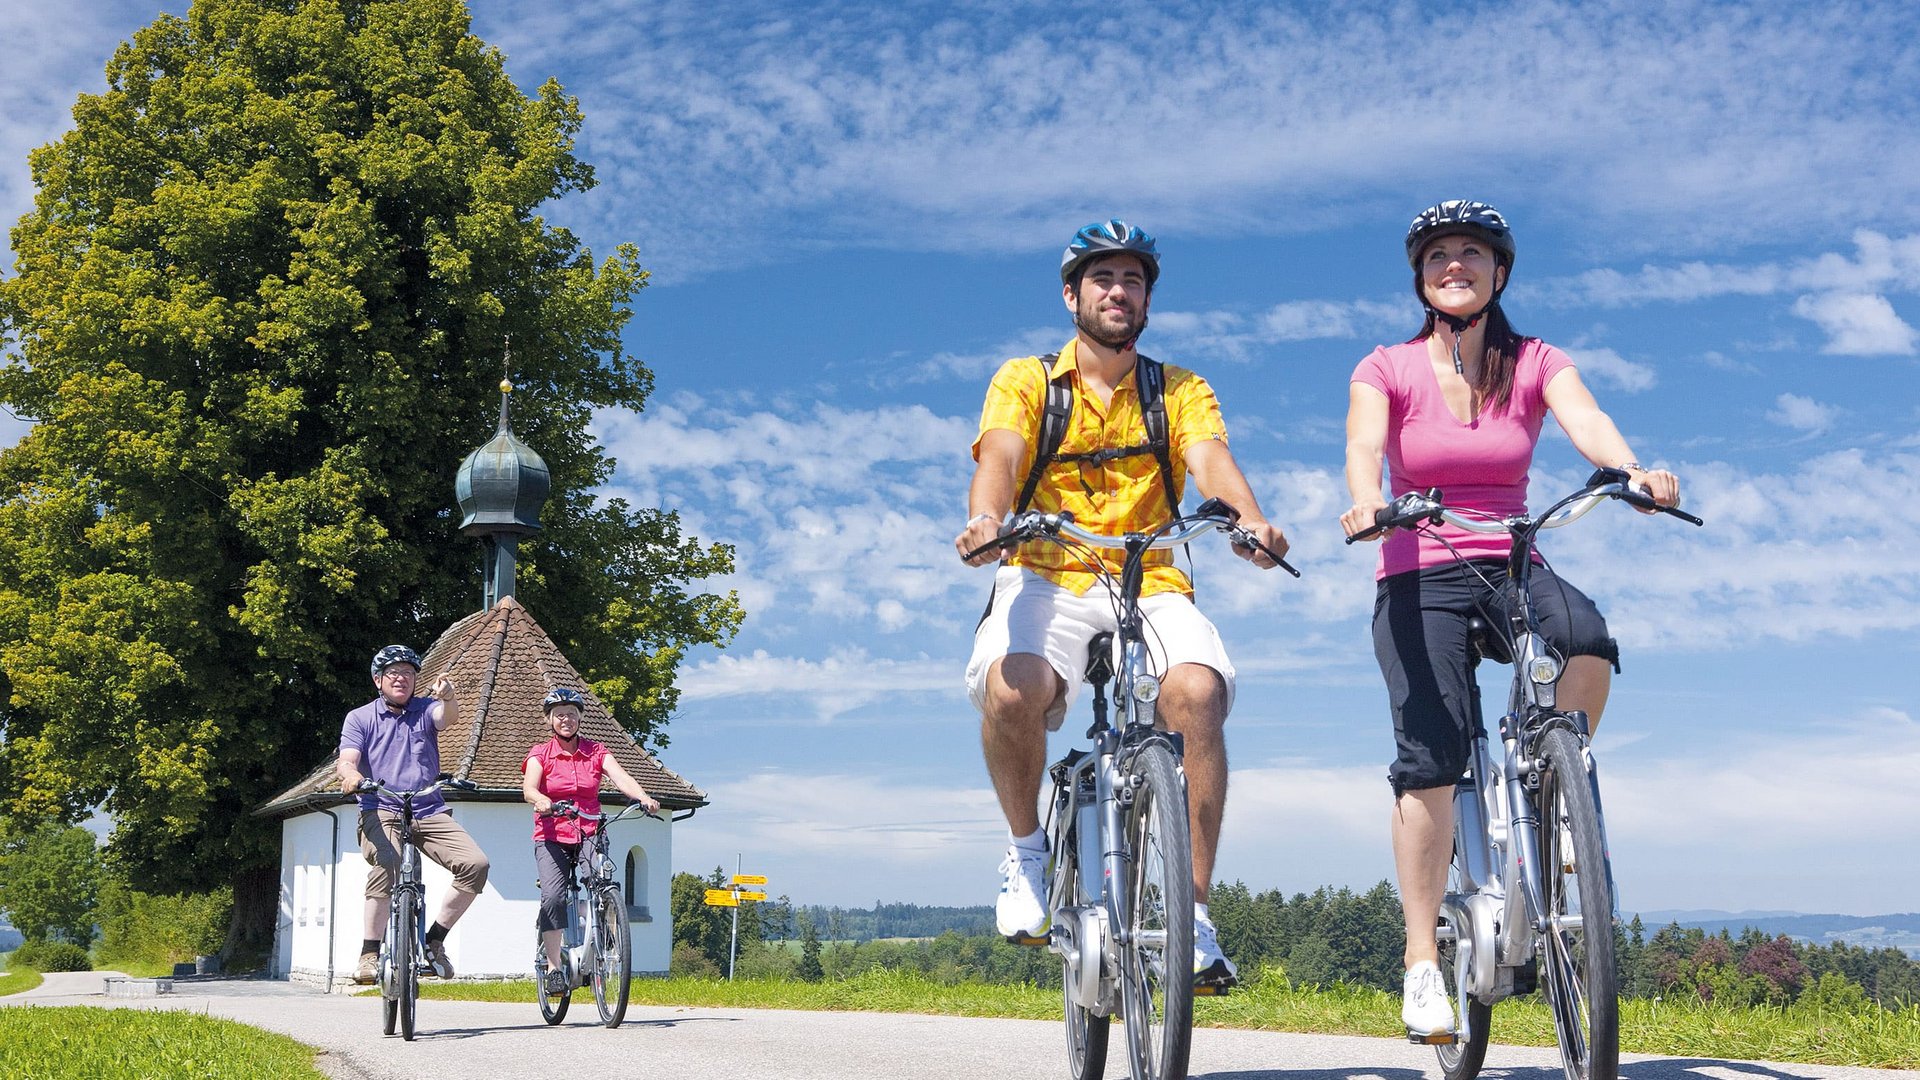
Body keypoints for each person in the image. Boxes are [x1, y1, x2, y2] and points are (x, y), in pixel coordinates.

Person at [1339, 199, 1681, 1037]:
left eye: (1472, 254)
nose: (1455, 265)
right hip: (1419, 566)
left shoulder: (1534, 359)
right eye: (1439, 256)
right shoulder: (1386, 366)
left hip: (1512, 553)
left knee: (1587, 641)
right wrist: (1366, 502)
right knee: (1431, 757)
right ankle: (1423, 961)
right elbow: (1361, 448)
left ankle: (1553, 794)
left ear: (1499, 273)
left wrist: (1631, 470)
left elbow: (1586, 420)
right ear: (1421, 278)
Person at [956, 219, 1290, 987]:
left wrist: (1249, 518)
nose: (1119, 291)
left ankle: (1194, 916)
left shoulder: (1177, 389)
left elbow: (1210, 461)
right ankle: (1028, 855)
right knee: (1014, 689)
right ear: (1072, 294)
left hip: (1150, 576)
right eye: (1103, 278)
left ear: (1147, 300)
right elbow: (1001, 455)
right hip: (1047, 570)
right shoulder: (1028, 380)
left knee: (1197, 693)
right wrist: (987, 521)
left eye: (1133, 280)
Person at [337, 645, 491, 984]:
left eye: (408, 673)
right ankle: (369, 953)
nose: (401, 678)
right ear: (378, 680)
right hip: (382, 807)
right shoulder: (360, 718)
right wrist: (353, 778)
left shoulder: (425, 709)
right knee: (388, 862)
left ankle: (434, 940)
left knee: (475, 865)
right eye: (393, 673)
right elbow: (347, 759)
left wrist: (449, 697)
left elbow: (446, 716)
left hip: (428, 807)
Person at [522, 686, 661, 996]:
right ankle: (556, 969)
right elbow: (529, 788)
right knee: (554, 897)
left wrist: (642, 797)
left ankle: (604, 932)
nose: (566, 719)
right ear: (550, 721)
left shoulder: (597, 751)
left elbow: (620, 776)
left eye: (572, 714)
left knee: (601, 883)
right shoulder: (539, 753)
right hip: (552, 833)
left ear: (580, 718)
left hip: (590, 830)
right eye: (559, 715)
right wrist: (541, 798)